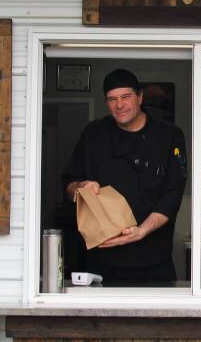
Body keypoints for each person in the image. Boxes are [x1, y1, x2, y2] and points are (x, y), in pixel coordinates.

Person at [63, 68, 187, 287]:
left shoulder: (168, 135)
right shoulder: (94, 134)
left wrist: (141, 232)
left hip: (153, 260)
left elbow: (172, 195)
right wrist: (80, 187)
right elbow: (68, 184)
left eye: (126, 97)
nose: (119, 105)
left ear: (140, 97)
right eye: (112, 99)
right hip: (101, 259)